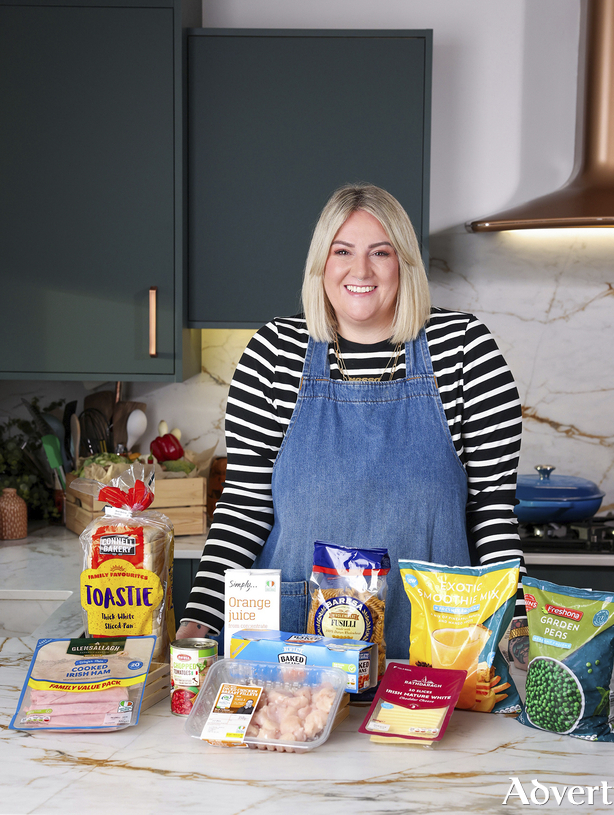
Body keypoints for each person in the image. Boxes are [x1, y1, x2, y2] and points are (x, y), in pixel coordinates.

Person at [177, 183, 527, 663]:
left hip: (433, 647)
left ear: (404, 263)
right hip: (293, 648)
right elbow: (244, 505)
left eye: (380, 252)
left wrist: (517, 626)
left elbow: (492, 510)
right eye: (342, 251)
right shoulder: (275, 352)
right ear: (321, 262)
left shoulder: (465, 349)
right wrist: (200, 617)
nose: (360, 270)